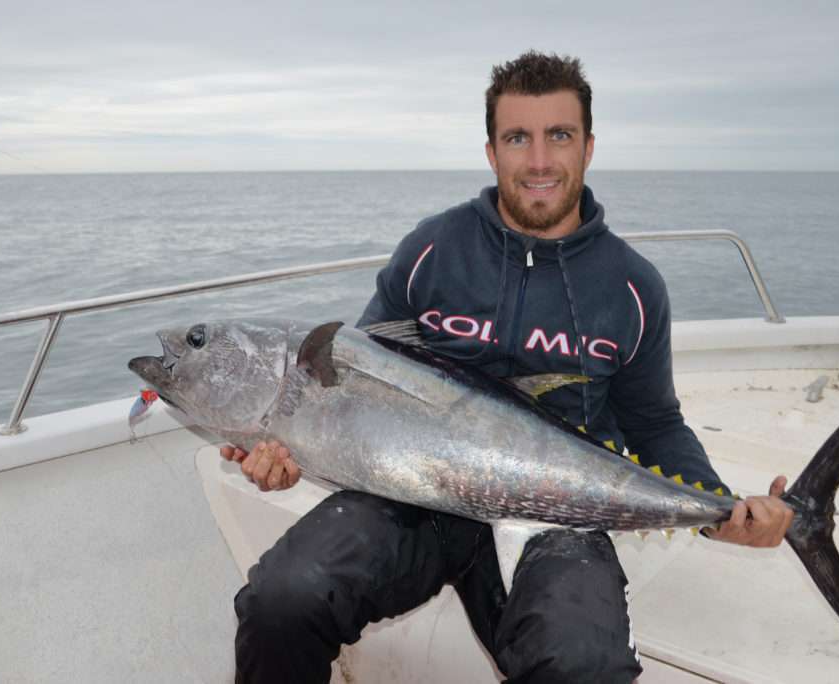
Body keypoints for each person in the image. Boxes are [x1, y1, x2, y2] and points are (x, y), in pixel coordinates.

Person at [223, 51, 794, 683]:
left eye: (560, 136)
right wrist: (282, 447)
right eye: (518, 137)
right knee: (282, 600)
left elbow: (655, 422)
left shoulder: (632, 287)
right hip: (412, 498)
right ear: (493, 152)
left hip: (559, 515)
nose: (541, 161)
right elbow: (355, 381)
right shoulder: (431, 250)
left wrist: (721, 513)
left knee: (585, 666)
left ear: (589, 147)